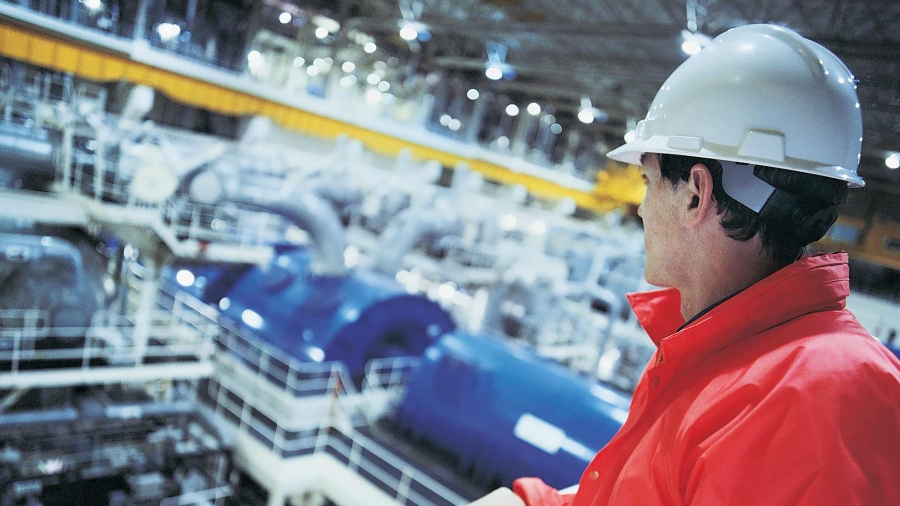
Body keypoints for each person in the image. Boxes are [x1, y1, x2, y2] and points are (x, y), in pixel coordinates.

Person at [470, 23, 900, 506]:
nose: (640, 208)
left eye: (649, 182)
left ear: (697, 194)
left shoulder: (818, 398)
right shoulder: (725, 353)